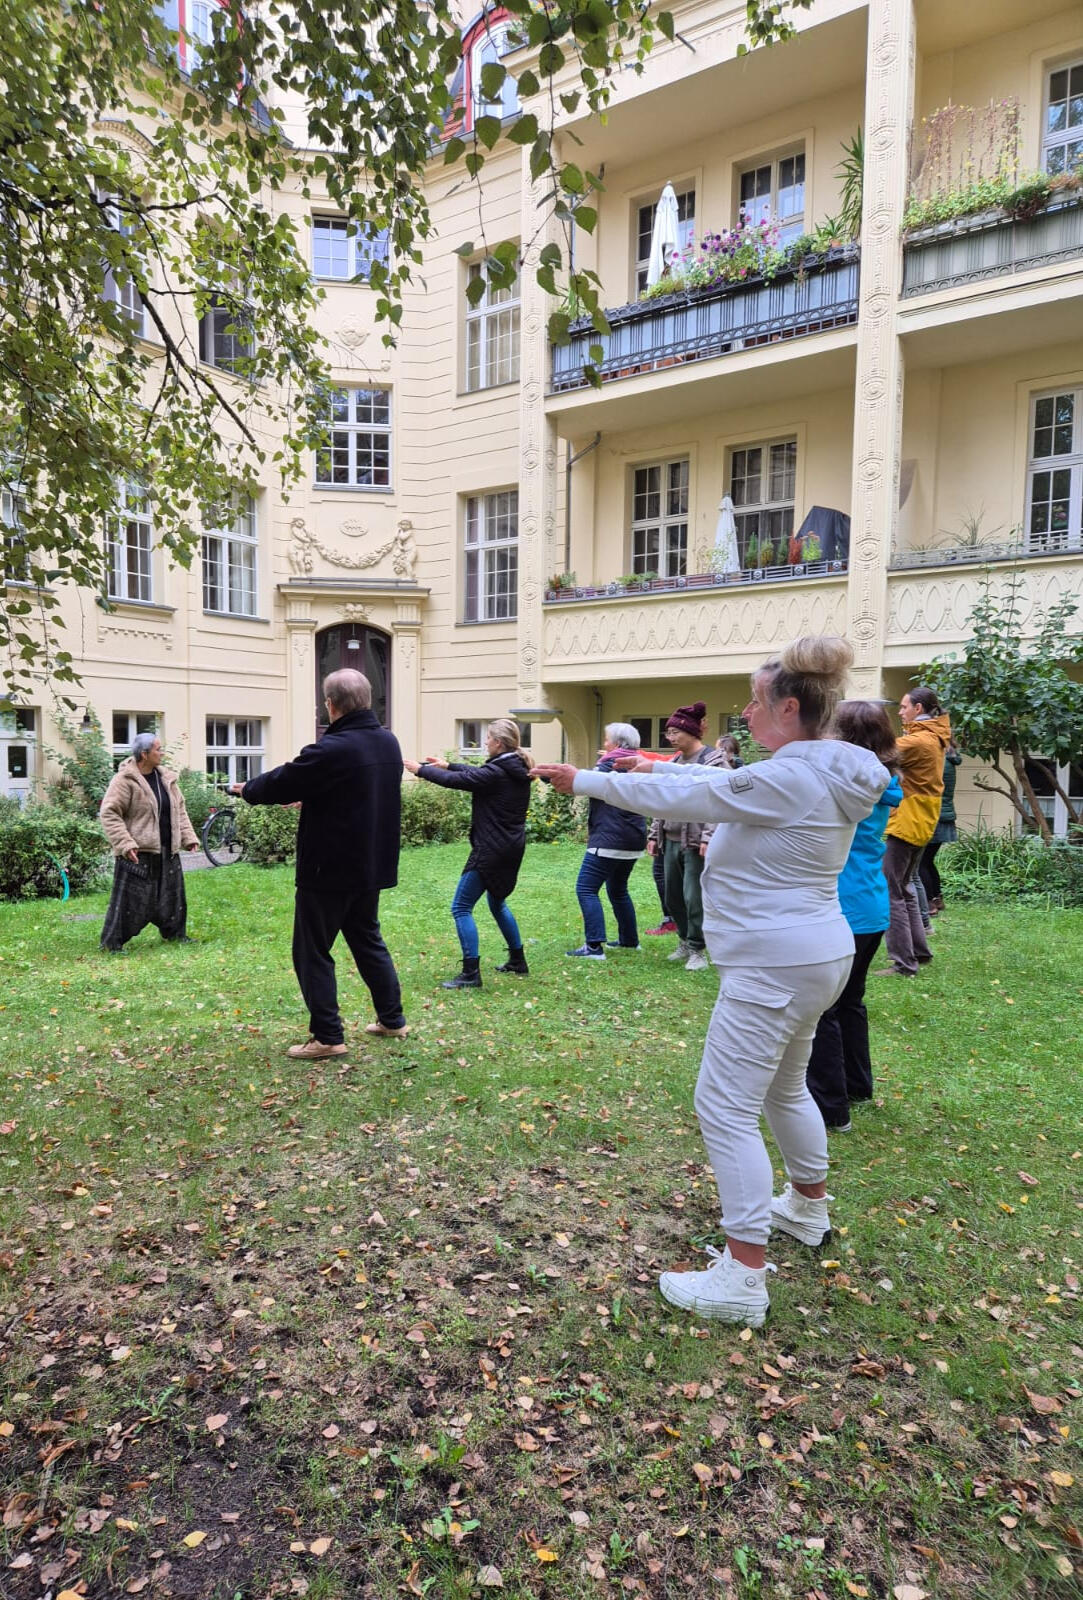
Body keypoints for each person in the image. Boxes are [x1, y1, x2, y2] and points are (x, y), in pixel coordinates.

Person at [536, 637, 893, 1327]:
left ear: (788, 708)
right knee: (784, 1088)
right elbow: (712, 783)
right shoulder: (822, 769)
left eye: (755, 702)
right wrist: (647, 763)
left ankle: (742, 1276)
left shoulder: (793, 778)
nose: (745, 714)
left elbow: (700, 793)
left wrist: (585, 781)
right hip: (814, 955)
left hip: (773, 964)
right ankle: (806, 1207)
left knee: (724, 1106)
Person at [231, 669, 408, 1059]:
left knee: (311, 950)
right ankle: (392, 1020)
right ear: (367, 700)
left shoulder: (333, 748)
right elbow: (354, 791)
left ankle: (328, 1036)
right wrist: (313, 798)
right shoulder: (388, 742)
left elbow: (285, 779)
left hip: (328, 869)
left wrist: (248, 790)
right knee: (367, 940)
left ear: (331, 705)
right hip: (370, 865)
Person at [804, 702, 903, 1132]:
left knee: (822, 1007)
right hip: (871, 906)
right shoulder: (882, 781)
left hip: (841, 905)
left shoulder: (842, 784)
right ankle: (857, 1085)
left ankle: (830, 1107)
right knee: (849, 1000)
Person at [404, 719, 532, 989]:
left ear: (499, 743)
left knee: (461, 907)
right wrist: (448, 765)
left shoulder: (498, 772)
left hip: (491, 848)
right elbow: (475, 774)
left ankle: (470, 973)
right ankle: (518, 960)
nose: (485, 742)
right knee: (497, 903)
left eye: (489, 738)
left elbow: (461, 781)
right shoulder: (515, 767)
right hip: (511, 846)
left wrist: (422, 771)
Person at [99, 733, 201, 951]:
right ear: (144, 754)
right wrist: (125, 844)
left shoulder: (166, 778)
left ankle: (176, 934)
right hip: (138, 852)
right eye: (158, 749)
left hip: (168, 848)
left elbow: (179, 810)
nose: (162, 753)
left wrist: (188, 837)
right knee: (130, 902)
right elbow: (109, 813)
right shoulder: (124, 780)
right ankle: (112, 944)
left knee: (173, 897)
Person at [648, 701, 728, 972]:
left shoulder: (713, 761)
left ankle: (697, 949)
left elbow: (721, 801)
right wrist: (654, 834)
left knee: (694, 898)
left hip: (695, 842)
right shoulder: (673, 762)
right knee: (672, 897)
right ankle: (683, 940)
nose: (670, 738)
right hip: (670, 839)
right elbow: (662, 799)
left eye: (675, 732)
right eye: (668, 733)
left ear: (691, 731)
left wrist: (708, 837)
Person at [878, 687, 952, 978]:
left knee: (892, 890)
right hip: (920, 821)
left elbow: (879, 756)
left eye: (904, 706)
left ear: (918, 708)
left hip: (908, 821)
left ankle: (904, 963)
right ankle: (919, 952)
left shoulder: (918, 740)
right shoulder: (932, 736)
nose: (900, 711)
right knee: (905, 887)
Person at [566, 723, 647, 959]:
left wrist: (549, 776)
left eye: (606, 740)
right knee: (618, 889)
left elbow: (580, 783)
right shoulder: (639, 765)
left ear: (618, 743)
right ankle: (629, 941)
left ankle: (593, 947)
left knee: (586, 888)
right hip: (634, 838)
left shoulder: (607, 766)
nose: (604, 744)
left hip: (609, 838)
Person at [918, 739, 962, 914]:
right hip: (943, 815)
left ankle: (929, 903)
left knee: (920, 862)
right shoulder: (948, 758)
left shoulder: (940, 760)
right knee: (927, 860)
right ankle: (937, 898)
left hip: (934, 816)